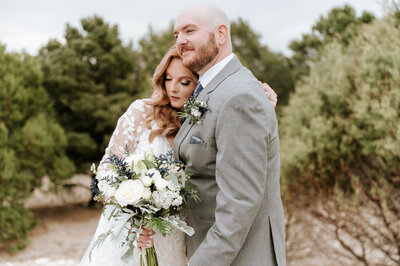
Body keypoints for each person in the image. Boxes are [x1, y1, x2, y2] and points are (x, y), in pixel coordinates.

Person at [79, 44, 277, 266]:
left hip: (179, 237)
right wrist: (136, 216)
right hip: (132, 235)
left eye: (184, 83)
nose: (173, 88)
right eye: (168, 79)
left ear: (200, 85)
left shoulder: (203, 122)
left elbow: (235, 151)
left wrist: (264, 109)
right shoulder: (140, 112)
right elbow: (107, 172)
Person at [172, 3, 286, 266]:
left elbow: (239, 206)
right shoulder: (210, 90)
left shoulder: (239, 96)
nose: (180, 41)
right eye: (176, 34)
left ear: (221, 34)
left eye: (189, 31)